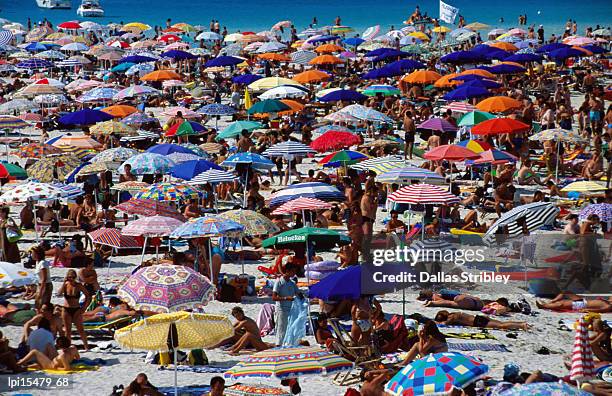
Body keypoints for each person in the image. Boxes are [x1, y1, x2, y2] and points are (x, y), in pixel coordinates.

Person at [57, 270, 91, 350]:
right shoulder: (65, 285)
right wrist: (63, 283)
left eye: (73, 277)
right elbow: (59, 293)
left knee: (81, 330)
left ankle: (86, 347)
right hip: (66, 309)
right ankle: (67, 347)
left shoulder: (78, 286)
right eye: (69, 277)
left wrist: (84, 308)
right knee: (68, 331)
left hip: (76, 309)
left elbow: (88, 296)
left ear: (75, 277)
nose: (71, 279)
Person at [272, 263, 299, 346]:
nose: (294, 273)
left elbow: (298, 293)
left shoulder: (292, 283)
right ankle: (278, 345)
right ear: (287, 271)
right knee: (281, 329)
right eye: (293, 271)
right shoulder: (279, 281)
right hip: (281, 309)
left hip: (291, 309)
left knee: (290, 328)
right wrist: (286, 298)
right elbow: (274, 297)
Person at [434, 310, 529, 330]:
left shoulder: (452, 317)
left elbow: (444, 324)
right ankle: (521, 323)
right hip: (478, 317)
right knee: (501, 323)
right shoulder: (455, 313)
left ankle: (521, 325)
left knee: (501, 326)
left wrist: (436, 322)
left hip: (478, 322)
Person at [418, 289, 484, 311]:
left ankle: (433, 303)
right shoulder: (435, 295)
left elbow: (447, 302)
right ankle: (432, 303)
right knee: (450, 303)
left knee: (450, 303)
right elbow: (445, 301)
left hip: (466, 300)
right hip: (472, 301)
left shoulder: (436, 295)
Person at [33, 245, 52, 309]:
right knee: (37, 304)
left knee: (43, 305)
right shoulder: (37, 262)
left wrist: (41, 291)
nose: (32, 255)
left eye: (33, 253)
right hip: (41, 284)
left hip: (45, 285)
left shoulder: (43, 263)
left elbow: (44, 278)